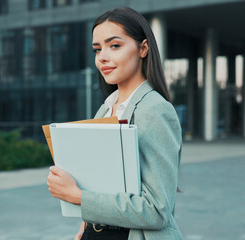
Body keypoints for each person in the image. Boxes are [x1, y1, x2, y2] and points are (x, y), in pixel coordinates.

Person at [47, 7, 183, 240]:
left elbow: (157, 211)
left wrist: (78, 197)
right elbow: (102, 182)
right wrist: (86, 224)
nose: (103, 57)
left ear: (143, 48)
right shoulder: (105, 109)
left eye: (115, 46)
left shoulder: (155, 110)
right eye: (97, 49)